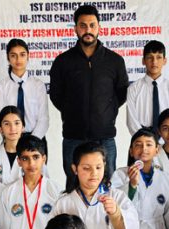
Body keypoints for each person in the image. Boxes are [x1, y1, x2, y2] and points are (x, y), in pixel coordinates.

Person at [50, 4, 129, 179]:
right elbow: (56, 95)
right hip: (73, 136)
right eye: (83, 25)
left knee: (107, 184)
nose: (88, 30)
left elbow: (121, 93)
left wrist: (107, 112)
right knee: (73, 183)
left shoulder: (114, 61)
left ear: (99, 27)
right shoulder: (63, 61)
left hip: (105, 137)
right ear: (76, 28)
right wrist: (71, 111)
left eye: (92, 25)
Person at [0, 38, 49, 139]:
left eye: (22, 54)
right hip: (11, 139)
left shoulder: (38, 85)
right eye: (13, 55)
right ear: (8, 58)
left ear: (28, 56)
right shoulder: (2, 87)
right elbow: (1, 118)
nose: (18, 59)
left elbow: (43, 119)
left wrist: (33, 140)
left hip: (36, 139)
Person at [126, 40, 169, 135]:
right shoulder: (134, 88)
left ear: (165, 61)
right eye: (149, 57)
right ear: (143, 61)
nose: (154, 62)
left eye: (159, 57)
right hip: (142, 139)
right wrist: (146, 141)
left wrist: (163, 140)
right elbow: (132, 121)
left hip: (166, 138)